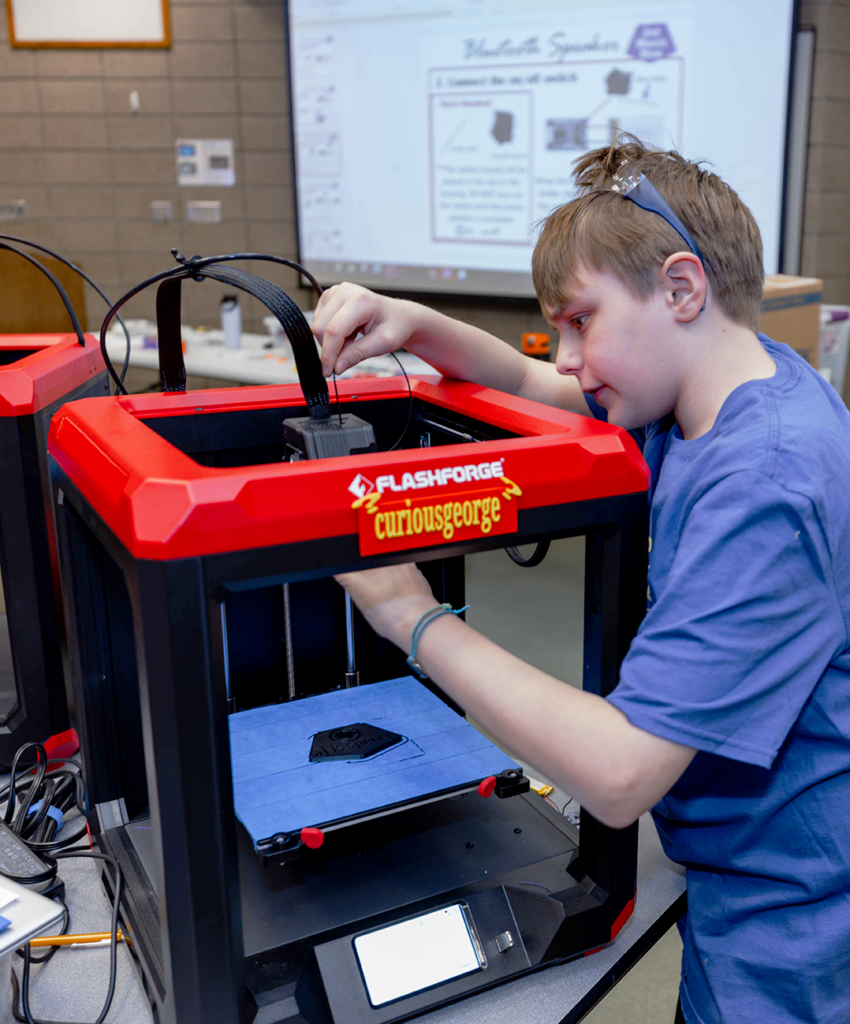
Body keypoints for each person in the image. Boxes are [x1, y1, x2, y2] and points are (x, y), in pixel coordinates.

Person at [310, 137, 850, 1024]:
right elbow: (530, 382)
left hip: (789, 924)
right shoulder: (726, 393)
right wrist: (409, 319)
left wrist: (411, 615)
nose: (563, 356)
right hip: (744, 870)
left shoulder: (766, 481)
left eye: (580, 321)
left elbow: (620, 769)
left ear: (681, 289)